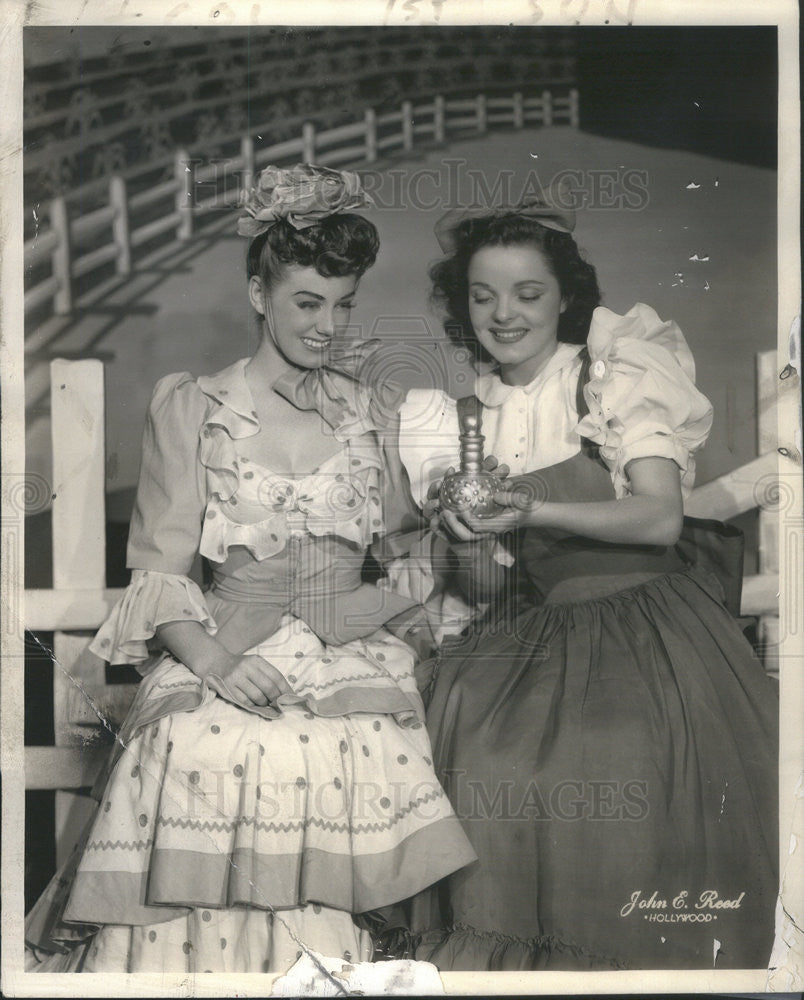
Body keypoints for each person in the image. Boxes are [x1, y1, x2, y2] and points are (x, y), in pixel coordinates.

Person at [24, 164, 476, 974]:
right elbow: (159, 573)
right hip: (223, 636)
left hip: (350, 637)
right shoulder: (194, 407)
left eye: (344, 305)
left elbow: (404, 543)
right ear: (260, 294)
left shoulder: (370, 407)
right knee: (203, 748)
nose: (327, 327)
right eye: (308, 302)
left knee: (343, 751)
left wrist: (441, 514)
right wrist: (217, 664)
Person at [390, 189, 779, 970]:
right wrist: (461, 533)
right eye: (483, 295)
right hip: (536, 632)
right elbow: (492, 588)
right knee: (479, 765)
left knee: (621, 769)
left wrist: (527, 510)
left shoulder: (611, 376)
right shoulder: (460, 418)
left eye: (528, 293)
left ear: (566, 297)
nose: (505, 314)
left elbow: (660, 517)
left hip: (651, 629)